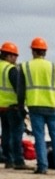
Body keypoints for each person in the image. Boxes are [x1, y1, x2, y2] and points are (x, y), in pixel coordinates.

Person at [17, 37, 55, 175]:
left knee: (39, 137)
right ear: (45, 52)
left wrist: (21, 107)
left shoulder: (25, 67)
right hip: (53, 107)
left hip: (35, 106)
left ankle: (42, 167)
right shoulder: (54, 67)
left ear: (33, 51)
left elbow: (21, 90)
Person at [0, 41, 24, 170]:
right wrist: (22, 105)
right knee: (16, 134)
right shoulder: (11, 69)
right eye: (14, 56)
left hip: (1, 107)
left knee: (5, 134)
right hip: (12, 106)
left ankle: (8, 160)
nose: (15, 59)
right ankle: (18, 161)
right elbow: (18, 89)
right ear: (8, 56)